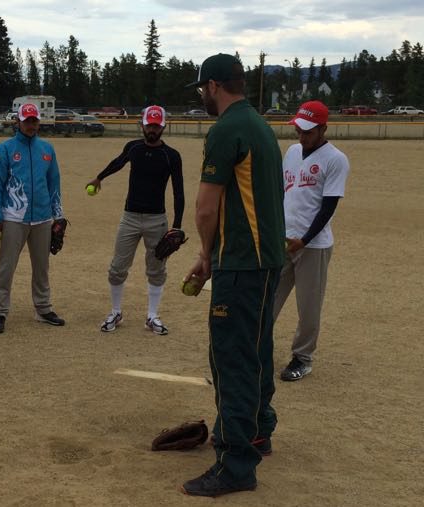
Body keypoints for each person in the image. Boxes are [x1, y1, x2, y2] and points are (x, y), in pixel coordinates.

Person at [182, 54, 285, 497]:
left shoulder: (226, 129)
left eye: (202, 88)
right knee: (256, 349)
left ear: (214, 86)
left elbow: (206, 207)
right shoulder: (259, 125)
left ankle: (235, 464)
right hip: (266, 261)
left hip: (240, 262)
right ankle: (258, 431)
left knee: (232, 360)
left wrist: (206, 255)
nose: (201, 96)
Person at [86, 105, 185, 335]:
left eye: (156, 126)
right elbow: (118, 162)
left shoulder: (171, 156)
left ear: (163, 127)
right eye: (149, 125)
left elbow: (178, 191)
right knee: (117, 268)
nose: (152, 130)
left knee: (156, 269)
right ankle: (116, 312)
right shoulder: (134, 147)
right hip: (130, 217)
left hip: (157, 220)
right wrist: (99, 178)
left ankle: (152, 316)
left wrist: (177, 226)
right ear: (142, 125)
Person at [273, 101, 349, 381]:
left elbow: (328, 208)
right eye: (299, 130)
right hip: (283, 241)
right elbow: (282, 193)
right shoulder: (292, 152)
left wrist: (304, 240)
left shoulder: (335, 159)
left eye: (308, 132)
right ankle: (257, 346)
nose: (301, 136)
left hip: (313, 246)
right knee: (268, 298)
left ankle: (302, 358)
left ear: (323, 129)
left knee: (308, 308)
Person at [0, 103, 65, 334]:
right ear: (18, 122)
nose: (31, 125)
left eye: (34, 121)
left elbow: (54, 183)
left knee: (42, 267)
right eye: (27, 121)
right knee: (6, 267)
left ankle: (43, 308)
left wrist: (58, 215)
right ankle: (0, 312)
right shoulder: (5, 149)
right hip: (14, 217)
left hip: (42, 218)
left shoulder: (47, 149)